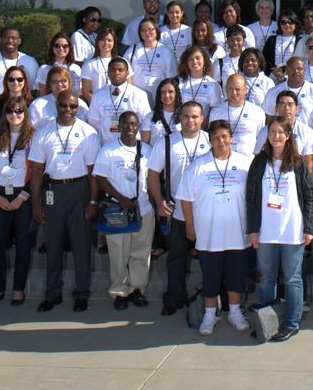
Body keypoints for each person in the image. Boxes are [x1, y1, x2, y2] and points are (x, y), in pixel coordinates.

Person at [177, 120, 254, 336]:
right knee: (210, 277)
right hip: (208, 234)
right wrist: (190, 226)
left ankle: (235, 312)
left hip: (237, 233)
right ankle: (210, 314)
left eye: (224, 137)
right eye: (216, 138)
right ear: (210, 140)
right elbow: (185, 198)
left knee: (236, 275)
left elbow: (254, 196)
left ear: (231, 138)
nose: (221, 141)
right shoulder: (198, 166)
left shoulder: (244, 163)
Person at [27, 91, 100, 312]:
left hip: (79, 190)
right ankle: (53, 294)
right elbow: (36, 170)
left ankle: (81, 293)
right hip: (53, 190)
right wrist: (35, 203)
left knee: (81, 245)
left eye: (73, 106)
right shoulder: (43, 132)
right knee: (53, 244)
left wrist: (93, 201)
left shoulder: (88, 133)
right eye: (63, 105)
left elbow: (92, 172)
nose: (68, 110)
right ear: (56, 105)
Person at [245, 116, 313, 342]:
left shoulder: (298, 162)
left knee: (292, 279)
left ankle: (291, 323)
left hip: (292, 230)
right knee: (266, 279)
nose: (276, 136)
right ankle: (268, 322)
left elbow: (309, 195)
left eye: (280, 132)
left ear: (288, 136)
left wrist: (308, 227)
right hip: (265, 231)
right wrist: (253, 229)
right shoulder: (259, 162)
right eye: (272, 132)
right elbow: (251, 198)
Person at [148, 100, 206, 315]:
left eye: (195, 116)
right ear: (179, 118)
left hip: (205, 211)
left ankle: (211, 299)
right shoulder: (166, 142)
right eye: (186, 116)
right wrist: (159, 201)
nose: (190, 120)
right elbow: (153, 174)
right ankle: (174, 298)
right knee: (175, 258)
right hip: (176, 210)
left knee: (210, 257)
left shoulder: (210, 140)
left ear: (202, 119)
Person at [93, 111, 154, 310]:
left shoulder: (147, 150)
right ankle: (119, 290)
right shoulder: (108, 150)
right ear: (118, 126)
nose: (129, 128)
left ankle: (137, 289)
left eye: (133, 124)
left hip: (143, 209)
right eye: (125, 124)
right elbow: (100, 178)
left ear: (138, 127)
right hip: (118, 210)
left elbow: (153, 178)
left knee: (141, 252)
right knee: (118, 254)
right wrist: (121, 198)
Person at [0, 95, 32, 307]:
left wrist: (22, 196)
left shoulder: (33, 137)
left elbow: (38, 170)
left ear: (25, 113)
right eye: (10, 110)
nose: (14, 115)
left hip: (23, 197)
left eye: (19, 110)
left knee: (23, 244)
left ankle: (18, 289)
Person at [86, 57, 152, 144]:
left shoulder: (139, 95)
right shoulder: (98, 95)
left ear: (127, 73)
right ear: (108, 73)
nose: (116, 73)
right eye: (113, 70)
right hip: (106, 145)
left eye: (120, 70)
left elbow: (146, 122)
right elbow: (93, 123)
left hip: (132, 145)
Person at [0, 26, 41, 97]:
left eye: (14, 38)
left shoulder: (31, 62)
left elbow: (35, 89)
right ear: (1, 40)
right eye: (6, 38)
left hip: (24, 102)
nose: (10, 41)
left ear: (19, 41)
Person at [211, 74, 265, 155]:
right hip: (222, 159)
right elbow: (212, 138)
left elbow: (260, 139)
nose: (234, 92)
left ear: (245, 90)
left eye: (237, 89)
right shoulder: (216, 112)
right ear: (225, 89)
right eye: (230, 89)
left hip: (248, 160)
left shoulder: (257, 112)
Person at [125, 18, 175, 94]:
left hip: (160, 95)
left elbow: (171, 76)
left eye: (150, 29)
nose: (147, 32)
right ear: (140, 33)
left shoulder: (166, 52)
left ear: (156, 30)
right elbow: (126, 73)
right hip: (136, 95)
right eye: (143, 30)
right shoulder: (132, 50)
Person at [0, 64, 33, 139]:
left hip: (26, 142)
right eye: (11, 79)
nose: (15, 82)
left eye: (19, 79)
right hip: (0, 143)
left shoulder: (32, 103)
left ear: (25, 81)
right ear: (6, 81)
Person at [176, 45, 222, 112]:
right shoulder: (178, 82)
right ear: (186, 62)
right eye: (191, 59)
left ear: (204, 60)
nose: (195, 61)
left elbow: (215, 111)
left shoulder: (213, 84)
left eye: (198, 58)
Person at [80, 26, 118, 102]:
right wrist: (99, 104)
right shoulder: (89, 65)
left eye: (109, 40)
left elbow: (128, 87)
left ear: (114, 43)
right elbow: (86, 92)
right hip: (98, 105)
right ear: (98, 42)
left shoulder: (122, 62)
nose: (106, 43)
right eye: (103, 40)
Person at [147, 78, 182, 145]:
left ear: (176, 94)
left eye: (170, 92)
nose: (167, 95)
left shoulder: (184, 115)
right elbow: (144, 144)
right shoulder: (150, 116)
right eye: (163, 92)